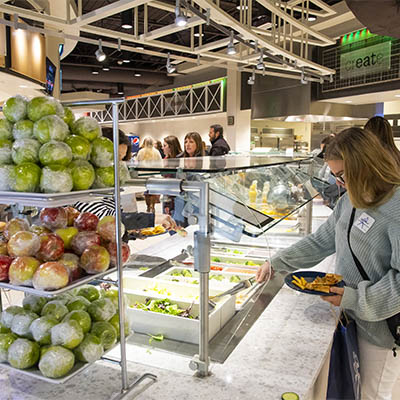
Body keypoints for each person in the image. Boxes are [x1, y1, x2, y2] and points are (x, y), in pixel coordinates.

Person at [256, 127, 400, 400]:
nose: (339, 184)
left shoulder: (396, 206)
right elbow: (321, 241)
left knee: (372, 394)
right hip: (352, 316)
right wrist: (277, 261)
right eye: (335, 177)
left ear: (364, 165)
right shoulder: (349, 201)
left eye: (343, 175)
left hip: (382, 328)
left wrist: (357, 298)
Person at [74, 128, 176, 231]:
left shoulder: (104, 182)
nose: (118, 164)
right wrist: (151, 219)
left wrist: (131, 232)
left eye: (122, 159)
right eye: (115, 158)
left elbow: (114, 210)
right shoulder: (83, 181)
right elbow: (103, 218)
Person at [136, 137, 162, 213]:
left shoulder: (141, 151)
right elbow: (160, 163)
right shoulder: (156, 152)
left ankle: (148, 207)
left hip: (143, 175)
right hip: (154, 175)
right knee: (153, 192)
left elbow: (137, 162)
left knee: (146, 192)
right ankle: (152, 207)